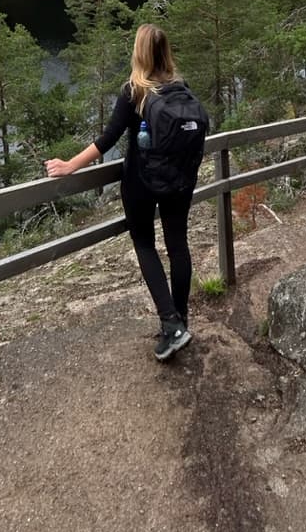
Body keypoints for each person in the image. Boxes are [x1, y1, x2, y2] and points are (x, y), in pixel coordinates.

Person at [45, 22, 196, 362]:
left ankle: (171, 324)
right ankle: (180, 319)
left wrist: (70, 165)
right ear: (165, 51)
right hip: (179, 180)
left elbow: (108, 138)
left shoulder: (134, 90)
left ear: (139, 53)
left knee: (145, 245)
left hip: (142, 182)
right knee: (178, 246)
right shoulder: (180, 86)